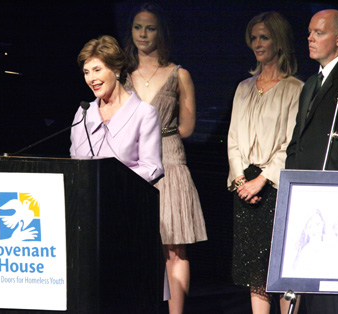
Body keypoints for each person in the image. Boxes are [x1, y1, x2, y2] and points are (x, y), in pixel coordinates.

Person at [123, 3, 207, 313]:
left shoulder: (178, 74)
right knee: (136, 247)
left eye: (150, 27)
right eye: (137, 27)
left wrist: (160, 131)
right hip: (131, 163)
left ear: (162, 32)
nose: (143, 34)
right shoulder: (122, 75)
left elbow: (187, 127)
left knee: (174, 247)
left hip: (169, 161)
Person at [227, 11, 303, 314]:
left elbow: (291, 143)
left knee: (282, 272)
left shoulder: (295, 89)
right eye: (254, 38)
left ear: (279, 41)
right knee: (255, 275)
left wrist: (263, 179)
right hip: (245, 187)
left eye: (265, 37)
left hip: (276, 186)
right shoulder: (244, 87)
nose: (258, 44)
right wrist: (241, 180)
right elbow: (233, 140)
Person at [285, 9, 338, 314]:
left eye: (319, 33)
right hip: (306, 198)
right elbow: (298, 142)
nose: (310, 38)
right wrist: (292, 184)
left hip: (335, 198)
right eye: (309, 32)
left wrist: (322, 185)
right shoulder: (309, 85)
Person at [70, 35, 164, 184]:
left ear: (116, 69)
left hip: (124, 199)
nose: (91, 78)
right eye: (86, 72)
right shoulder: (84, 113)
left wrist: (113, 178)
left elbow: (152, 167)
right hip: (84, 201)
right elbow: (74, 164)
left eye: (97, 70)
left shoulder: (144, 114)